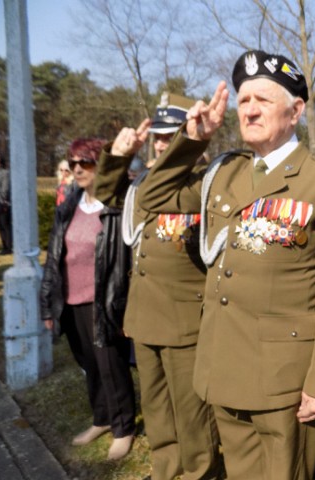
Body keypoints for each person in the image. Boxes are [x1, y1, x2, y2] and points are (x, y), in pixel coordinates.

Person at [137, 50, 315, 480]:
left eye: (263, 99)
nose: (250, 109)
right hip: (224, 362)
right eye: (243, 101)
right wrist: (193, 140)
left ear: (296, 111)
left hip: (285, 378)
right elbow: (153, 198)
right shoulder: (225, 174)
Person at [94, 93, 223, 480]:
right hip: (146, 316)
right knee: (157, 409)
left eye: (173, 136)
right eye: (160, 139)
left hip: (187, 323)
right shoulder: (145, 182)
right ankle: (166, 471)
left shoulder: (206, 183)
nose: (163, 145)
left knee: (192, 415)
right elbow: (106, 194)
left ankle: (198, 472)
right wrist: (118, 155)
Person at [40, 138, 136, 460]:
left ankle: (124, 428)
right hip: (71, 300)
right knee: (90, 365)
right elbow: (55, 257)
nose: (77, 168)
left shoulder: (117, 206)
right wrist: (48, 303)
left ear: (102, 165)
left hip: (104, 299)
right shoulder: (69, 204)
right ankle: (102, 418)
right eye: (73, 162)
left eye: (86, 162)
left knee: (112, 365)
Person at [0, 151, 12, 254]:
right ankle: (5, 246)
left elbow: (5, 189)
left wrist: (2, 201)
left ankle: (9, 247)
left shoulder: (5, 173)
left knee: (5, 225)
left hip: (3, 203)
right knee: (0, 226)